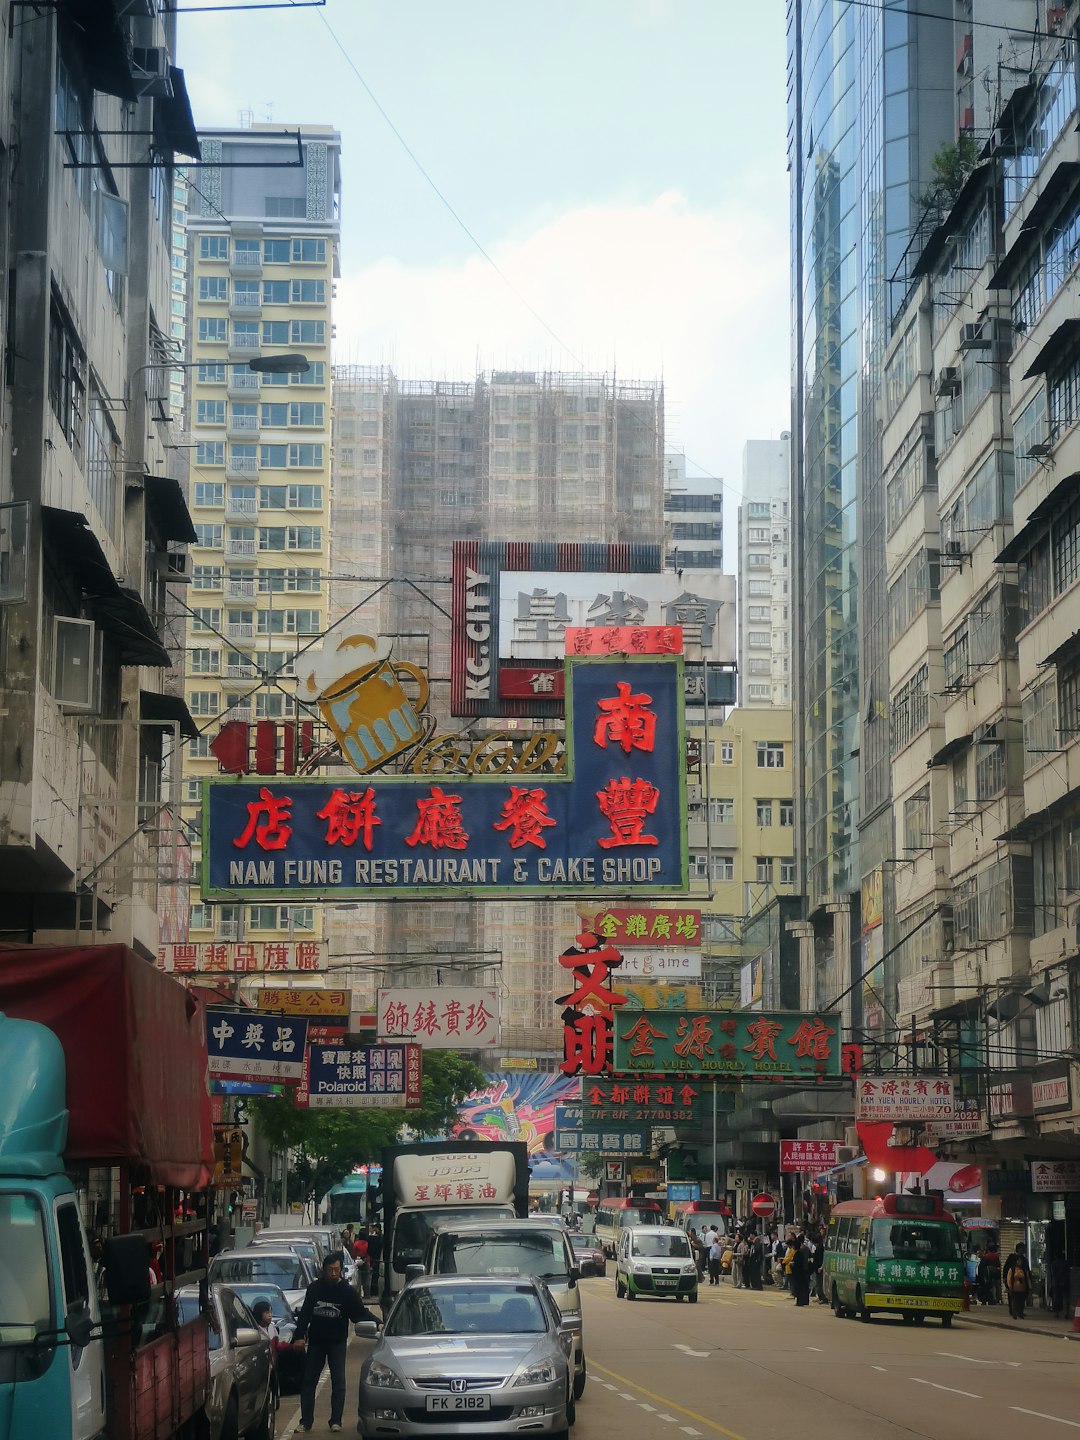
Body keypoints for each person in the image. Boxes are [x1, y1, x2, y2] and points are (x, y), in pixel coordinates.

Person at [294, 1251, 380, 1433]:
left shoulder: (347, 1292)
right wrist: (299, 1336)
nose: (333, 1274)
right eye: (330, 1270)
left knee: (339, 1382)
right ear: (324, 1270)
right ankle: (306, 1421)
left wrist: (379, 1323)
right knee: (309, 1382)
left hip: (337, 1343)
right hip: (316, 1342)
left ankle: (335, 1420)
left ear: (341, 1270)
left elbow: (360, 1313)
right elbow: (305, 1314)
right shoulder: (315, 1289)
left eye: (336, 1270)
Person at [1003, 1241, 1032, 1320]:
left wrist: (1029, 1282)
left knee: (1021, 1298)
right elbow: (1006, 1268)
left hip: (1022, 1283)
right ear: (1018, 1249)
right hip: (1013, 1281)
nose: (1024, 1250)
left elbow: (1027, 1271)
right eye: (1022, 1249)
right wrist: (1005, 1279)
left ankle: (1020, 1311)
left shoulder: (1024, 1259)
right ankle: (1013, 1311)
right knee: (1013, 1297)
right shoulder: (1012, 1257)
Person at [790, 1233, 811, 1307]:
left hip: (798, 1273)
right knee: (804, 1287)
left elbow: (796, 1263)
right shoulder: (803, 1250)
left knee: (799, 1288)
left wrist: (792, 1264)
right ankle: (804, 1301)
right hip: (803, 1271)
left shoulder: (798, 1253)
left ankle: (800, 1301)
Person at [1050, 1251, 1069, 1318]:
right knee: (1065, 1298)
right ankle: (1066, 1313)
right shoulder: (1066, 1263)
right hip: (1064, 1283)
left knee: (1056, 1298)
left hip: (1056, 1283)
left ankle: (1056, 1313)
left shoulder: (1053, 1264)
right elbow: (1067, 1274)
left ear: (1055, 1256)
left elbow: (1053, 1274)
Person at [366, 1223, 383, 1298]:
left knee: (373, 1275)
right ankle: (375, 1291)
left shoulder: (371, 1238)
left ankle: (373, 1291)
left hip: (374, 1259)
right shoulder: (382, 1238)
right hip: (379, 1258)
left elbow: (369, 1250)